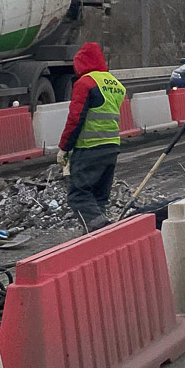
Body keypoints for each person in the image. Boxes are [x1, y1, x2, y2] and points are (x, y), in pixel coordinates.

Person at [58, 41, 126, 232]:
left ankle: (101, 230)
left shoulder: (85, 83)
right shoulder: (115, 83)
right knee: (99, 197)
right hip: (112, 146)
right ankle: (97, 234)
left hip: (90, 147)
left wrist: (64, 147)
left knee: (78, 195)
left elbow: (75, 118)